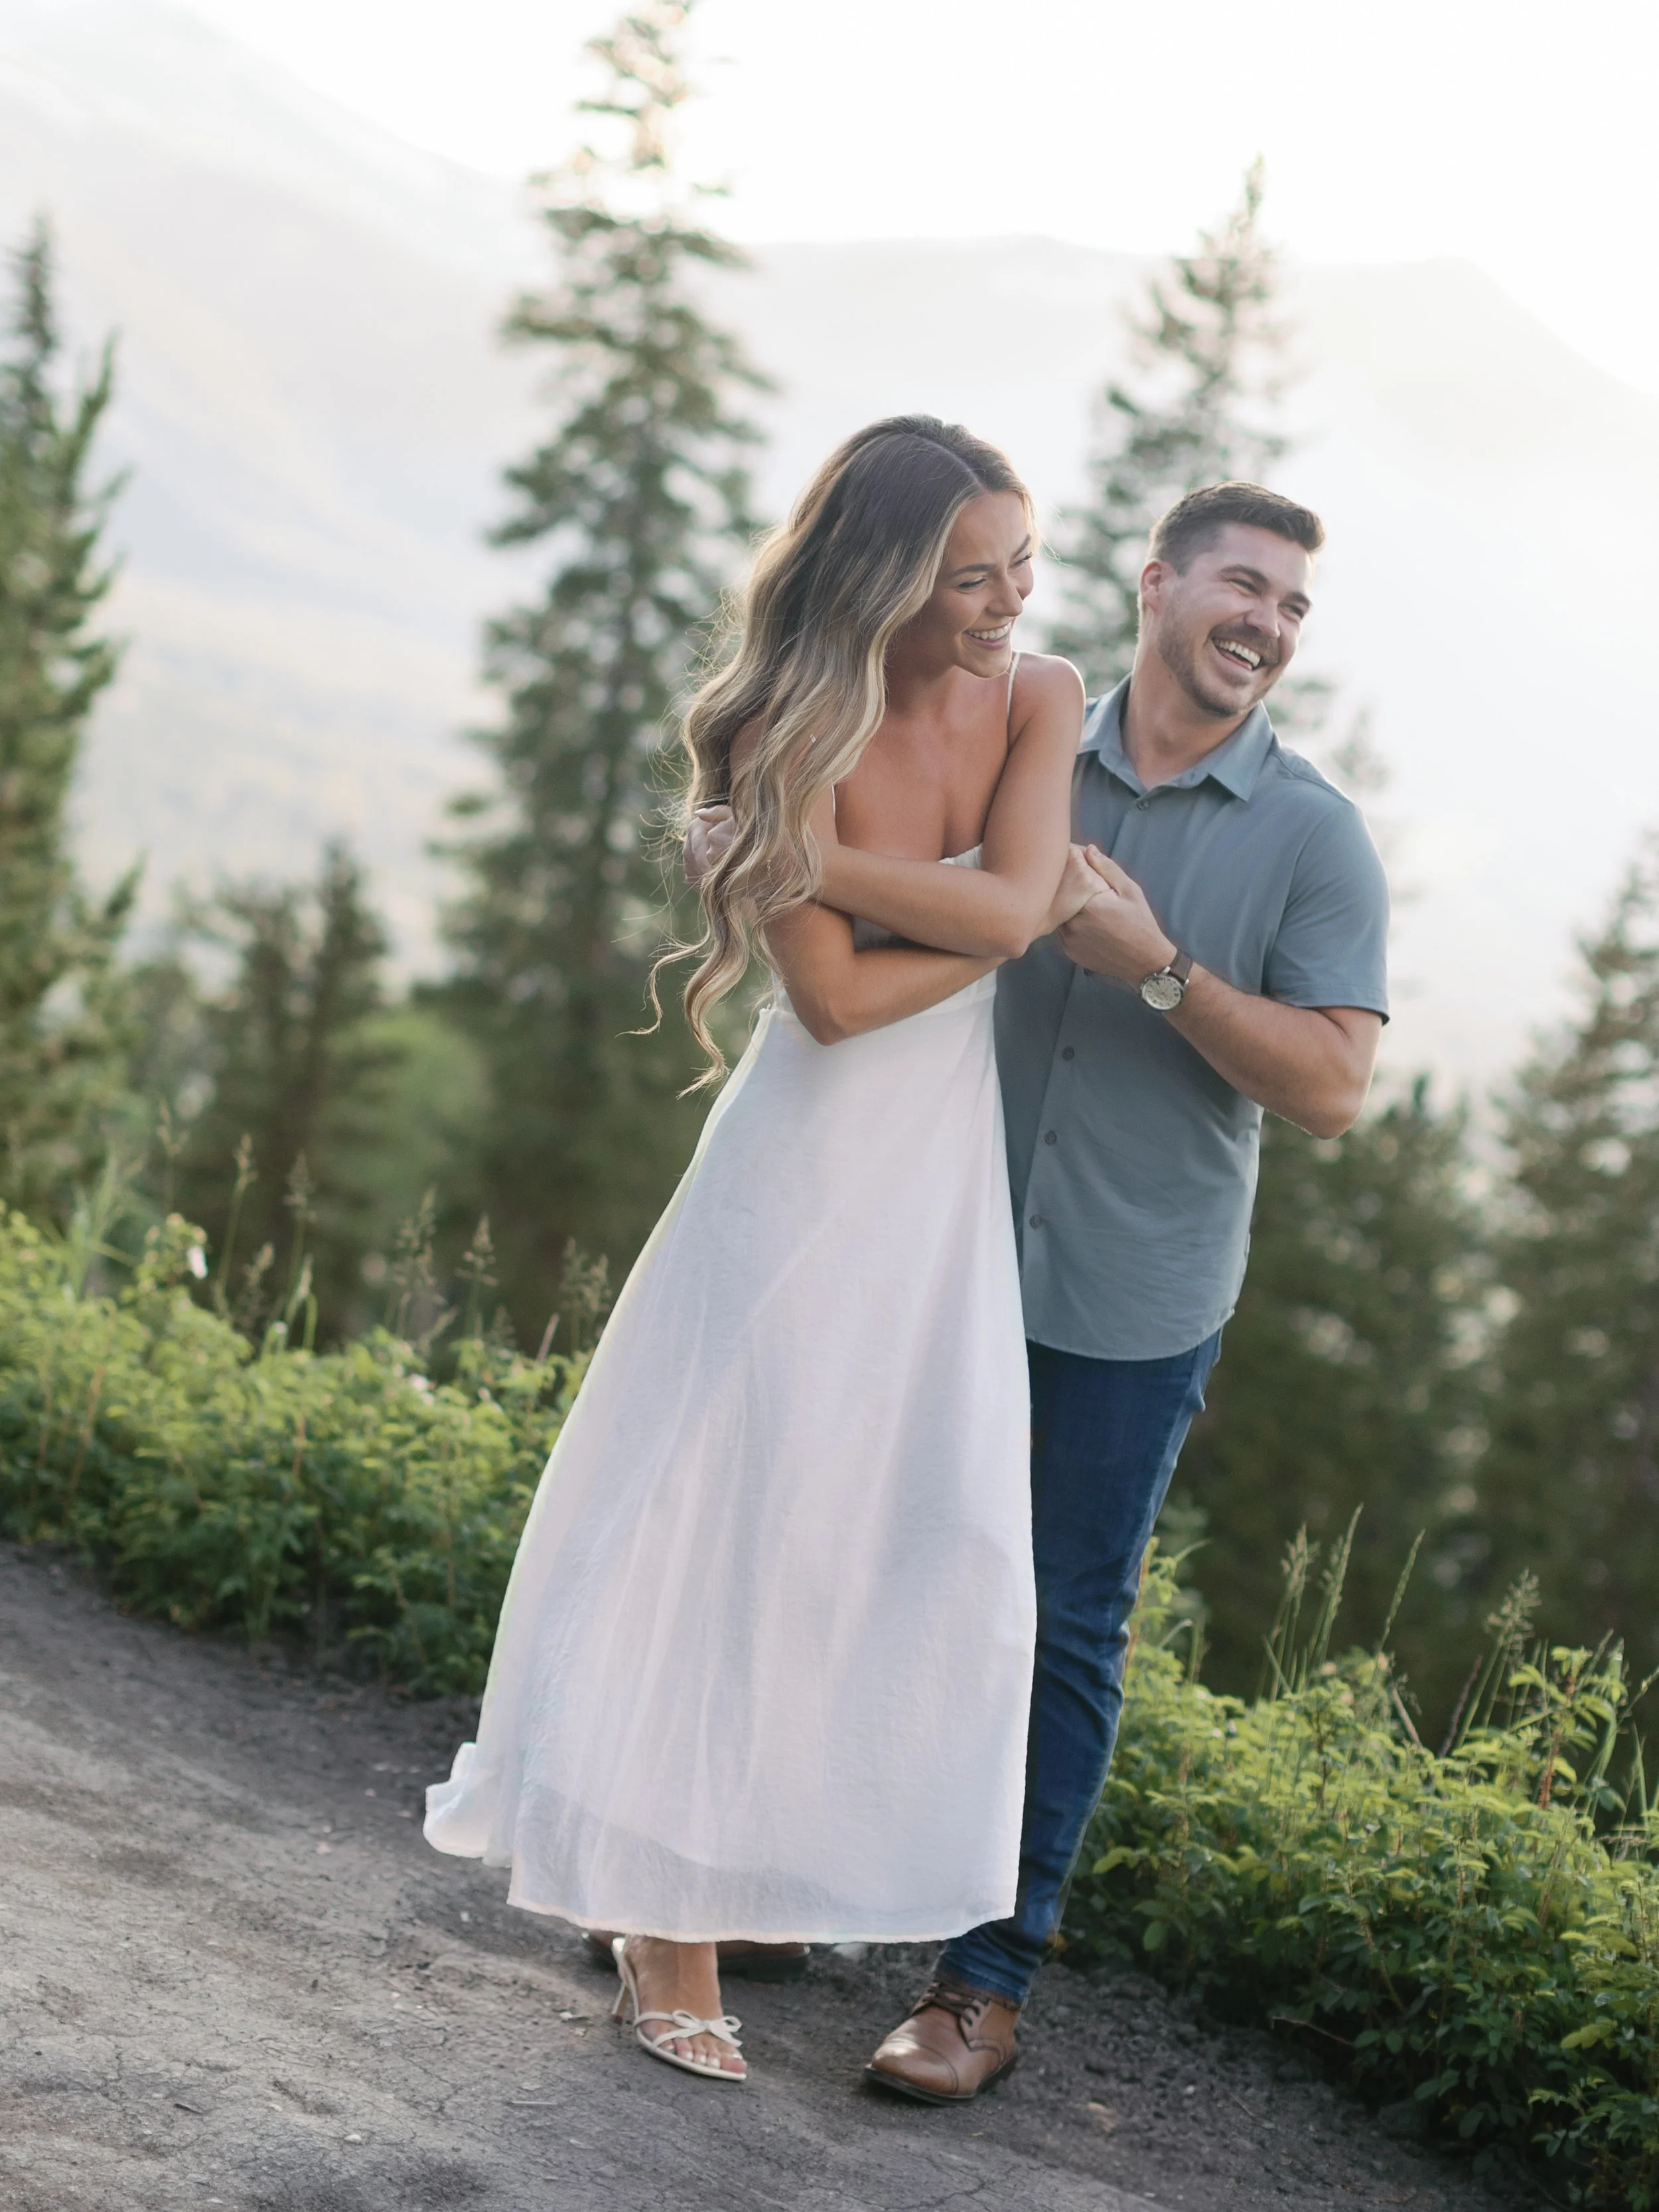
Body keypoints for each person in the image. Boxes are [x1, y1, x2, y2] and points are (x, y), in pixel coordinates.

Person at [692, 477, 1390, 2104]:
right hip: (922, 1234)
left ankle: (979, 1985)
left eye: (1291, 606)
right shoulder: (1008, 730)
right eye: (1241, 584)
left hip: (1128, 1290)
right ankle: (792, 1893)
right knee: (856, 1556)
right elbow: (851, 874)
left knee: (1059, 1623)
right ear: (1155, 583)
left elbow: (1335, 1090)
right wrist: (738, 843)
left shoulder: (1310, 836)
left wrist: (1153, 965)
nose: (1265, 625)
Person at [425, 416, 1089, 2087]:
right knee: (729, 1512)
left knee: (904, 1524)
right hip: (801, 1164)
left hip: (935, 1190)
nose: (1007, 598)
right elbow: (845, 999)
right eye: (968, 576)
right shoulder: (787, 727)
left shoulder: (1040, 693)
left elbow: (1009, 915)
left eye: (1021, 559)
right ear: (880, 577)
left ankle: (767, 1855)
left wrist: (825, 864)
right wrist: (987, 913)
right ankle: (665, 1921)